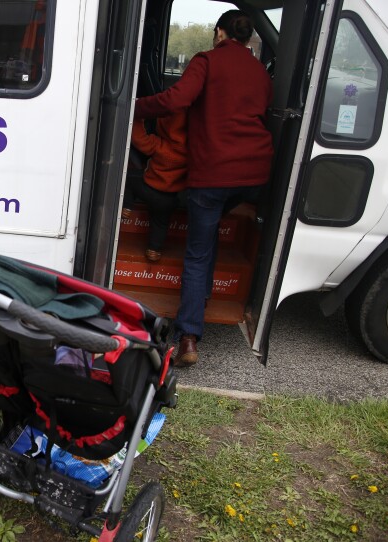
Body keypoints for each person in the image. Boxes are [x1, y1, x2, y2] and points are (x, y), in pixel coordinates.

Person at [133, 10, 273, 367]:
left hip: (214, 173)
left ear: (219, 33)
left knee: (198, 252)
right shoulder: (260, 70)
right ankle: (204, 292)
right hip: (255, 174)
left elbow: (176, 100)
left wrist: (132, 106)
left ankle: (189, 336)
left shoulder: (206, 61)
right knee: (208, 238)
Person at [125, 108, 188, 262]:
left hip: (149, 189)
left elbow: (139, 140)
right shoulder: (192, 152)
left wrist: (138, 116)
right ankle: (154, 250)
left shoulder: (160, 145)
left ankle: (126, 206)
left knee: (128, 179)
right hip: (169, 199)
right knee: (160, 224)